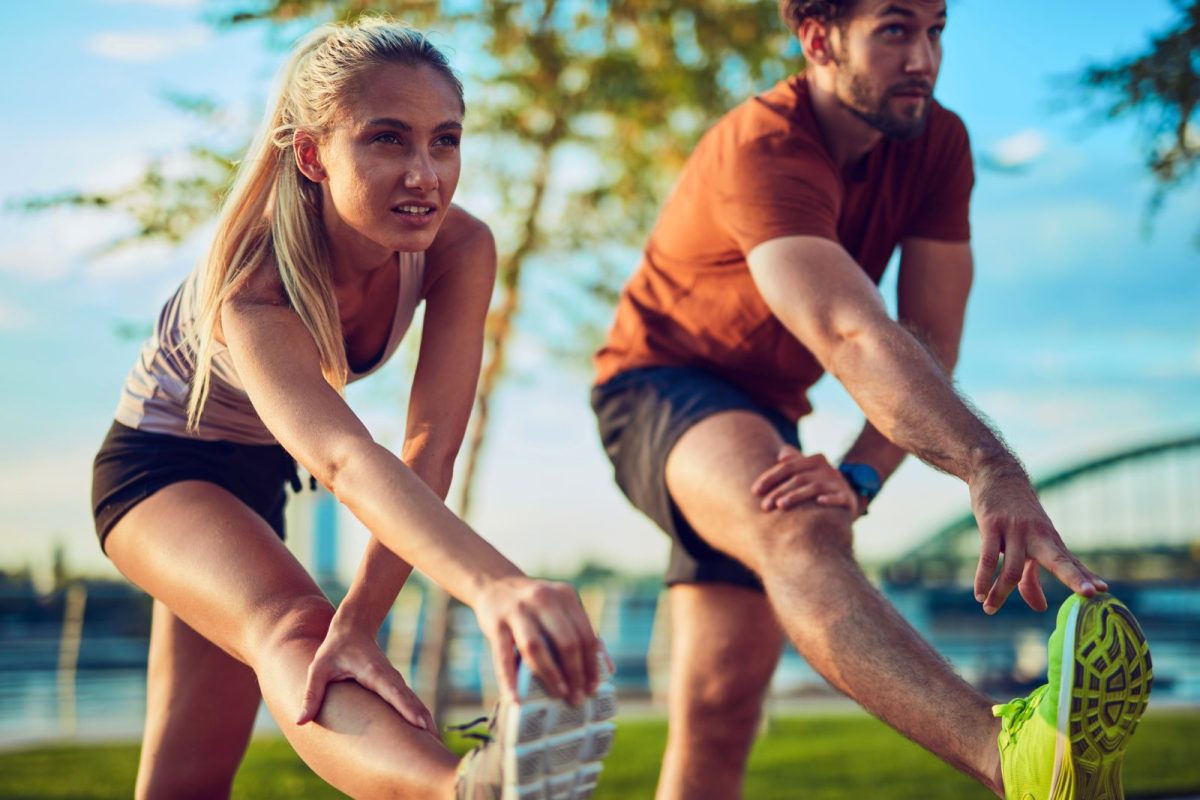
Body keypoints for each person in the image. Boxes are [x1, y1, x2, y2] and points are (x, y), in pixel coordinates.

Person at [590, 1, 1151, 799]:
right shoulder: (767, 147)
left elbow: (930, 341)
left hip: (769, 412)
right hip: (657, 385)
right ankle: (1008, 758)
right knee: (796, 526)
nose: (923, 56)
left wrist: (859, 479)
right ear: (819, 39)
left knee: (720, 710)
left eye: (936, 30)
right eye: (894, 29)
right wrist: (989, 468)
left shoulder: (937, 143)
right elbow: (849, 334)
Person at [92, 18, 613, 800]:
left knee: (185, 780)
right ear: (311, 154)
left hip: (262, 475)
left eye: (445, 141)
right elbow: (343, 461)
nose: (425, 174)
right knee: (296, 627)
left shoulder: (459, 247)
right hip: (160, 472)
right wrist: (496, 586)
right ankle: (467, 790)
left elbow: (430, 448)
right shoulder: (255, 288)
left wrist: (363, 621)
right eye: (387, 140)